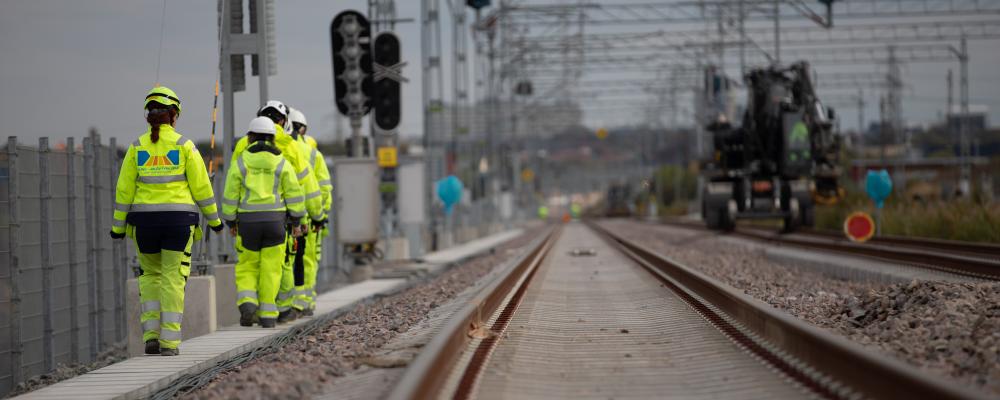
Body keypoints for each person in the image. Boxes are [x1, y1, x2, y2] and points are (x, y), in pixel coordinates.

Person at [110, 86, 223, 356]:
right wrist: (215, 221)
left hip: (144, 224)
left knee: (149, 276)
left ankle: (150, 335)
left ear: (149, 115)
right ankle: (170, 342)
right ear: (174, 116)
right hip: (178, 222)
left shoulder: (137, 148)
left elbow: (123, 191)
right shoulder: (185, 146)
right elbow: (202, 189)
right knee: (173, 277)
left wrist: (117, 227)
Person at [230, 100, 323, 323]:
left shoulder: (244, 144)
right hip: (284, 216)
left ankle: (252, 305)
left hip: (247, 217)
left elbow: (232, 183)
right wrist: (315, 214)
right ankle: (277, 311)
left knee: (249, 264)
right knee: (280, 264)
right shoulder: (292, 147)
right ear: (284, 121)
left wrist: (230, 218)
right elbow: (306, 184)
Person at [222, 117, 306, 328]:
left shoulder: (240, 162)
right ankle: (268, 315)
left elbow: (230, 195)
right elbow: (295, 195)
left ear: (250, 137)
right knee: (272, 268)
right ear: (273, 138)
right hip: (275, 222)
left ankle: (248, 302)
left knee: (248, 265)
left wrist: (231, 222)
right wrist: (296, 220)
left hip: (248, 223)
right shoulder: (282, 163)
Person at [287, 108, 332, 315]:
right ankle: (305, 300)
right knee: (308, 259)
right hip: (310, 215)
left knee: (288, 258)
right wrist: (321, 214)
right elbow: (323, 188)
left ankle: (288, 303)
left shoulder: (281, 148)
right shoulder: (312, 153)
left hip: (282, 213)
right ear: (302, 128)